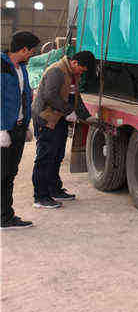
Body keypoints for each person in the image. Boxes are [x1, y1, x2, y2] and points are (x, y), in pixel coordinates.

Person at [31, 50, 94, 208]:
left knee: (57, 155)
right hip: (46, 119)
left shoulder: (73, 74)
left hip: (59, 119)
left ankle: (54, 189)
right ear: (75, 62)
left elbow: (76, 98)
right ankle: (40, 197)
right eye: (81, 69)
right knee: (45, 157)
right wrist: (69, 111)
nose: (81, 73)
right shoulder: (57, 71)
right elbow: (50, 96)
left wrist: (87, 117)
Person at [1, 31, 39, 229]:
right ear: (24, 49)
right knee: (3, 174)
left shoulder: (22, 68)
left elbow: (25, 96)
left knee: (10, 173)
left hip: (18, 128)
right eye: (31, 51)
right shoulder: (2, 67)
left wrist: (26, 125)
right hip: (4, 131)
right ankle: (4, 217)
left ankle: (6, 214)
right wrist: (1, 129)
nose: (32, 54)